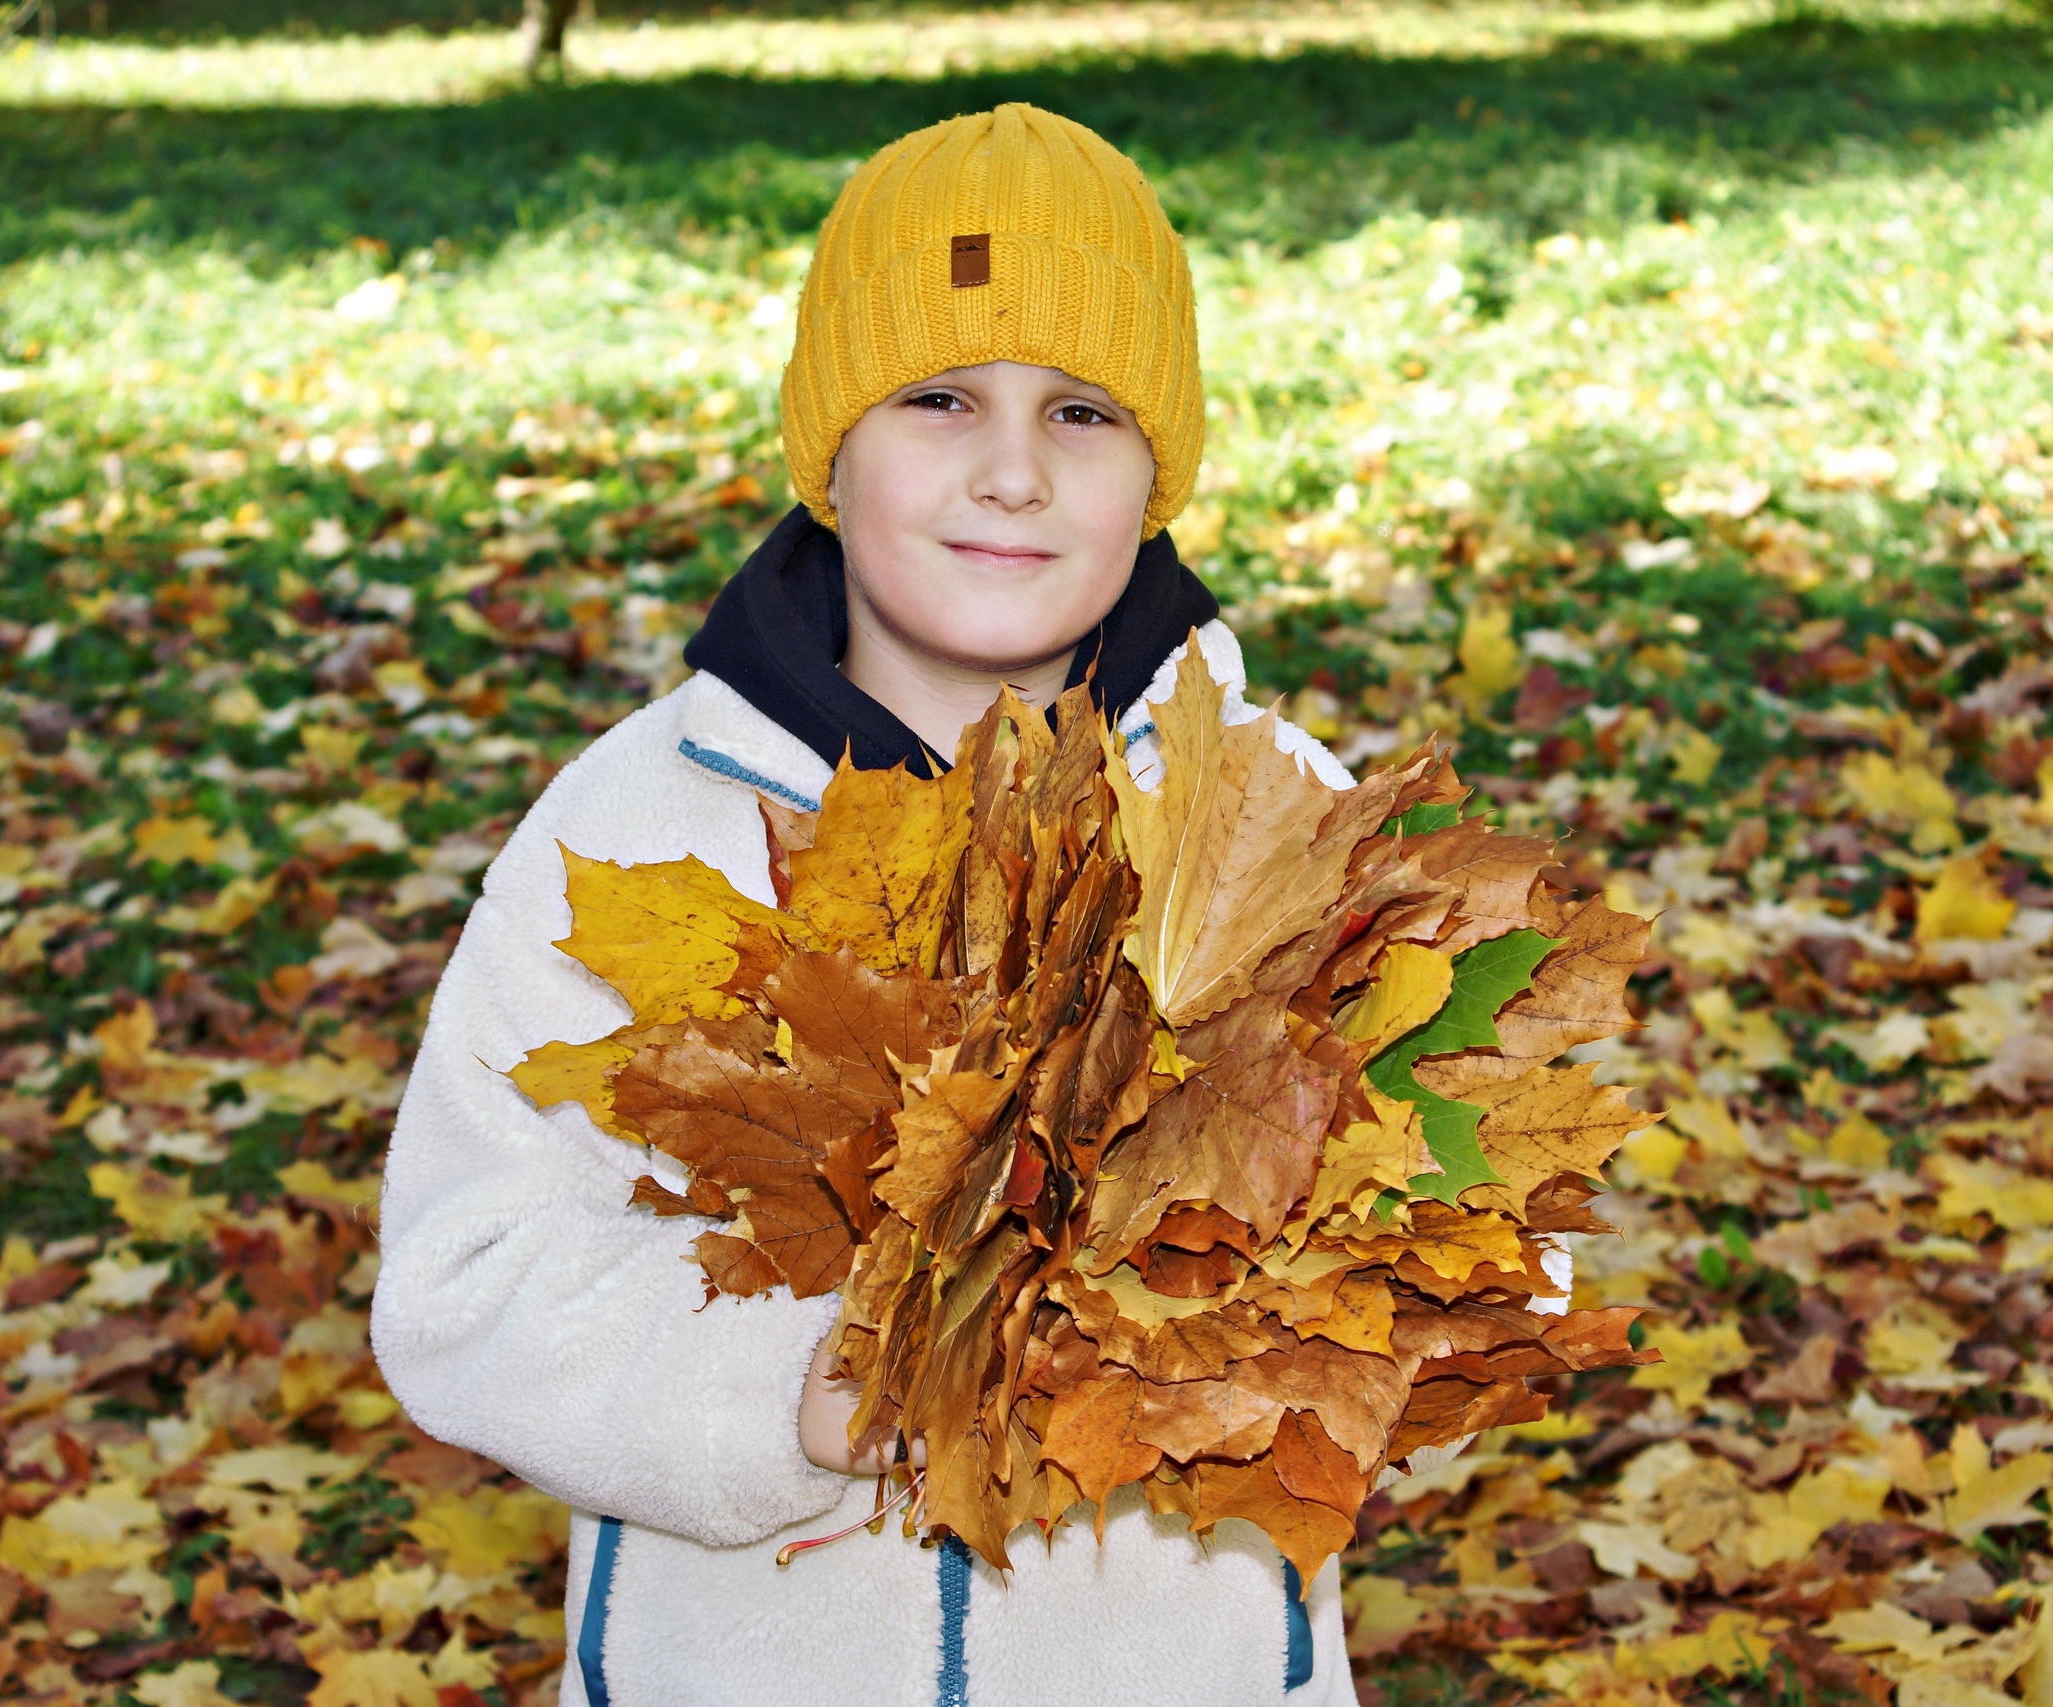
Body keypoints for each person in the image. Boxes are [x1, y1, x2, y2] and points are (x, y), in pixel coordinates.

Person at [371, 103, 1567, 1707]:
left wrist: (1255, 1319)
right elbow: (467, 1279)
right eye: (938, 399)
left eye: (1082, 412)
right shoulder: (644, 827)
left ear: (1157, 473)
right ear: (830, 450)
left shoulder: (1270, 815)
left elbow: (1480, 1220)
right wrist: (782, 1391)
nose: (1012, 472)